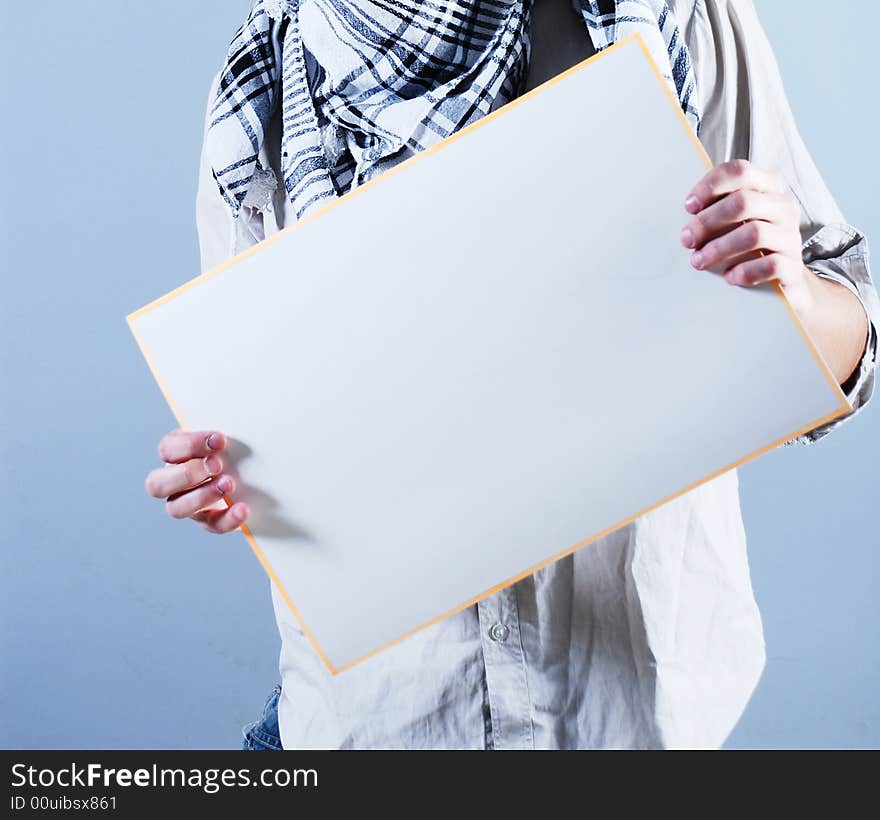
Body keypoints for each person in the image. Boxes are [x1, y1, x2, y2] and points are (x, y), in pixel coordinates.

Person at [143, 0, 879, 749]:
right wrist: (227, 483)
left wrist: (786, 287)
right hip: (375, 727)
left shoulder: (668, 15)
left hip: (627, 723)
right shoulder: (263, 76)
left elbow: (850, 354)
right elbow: (267, 431)